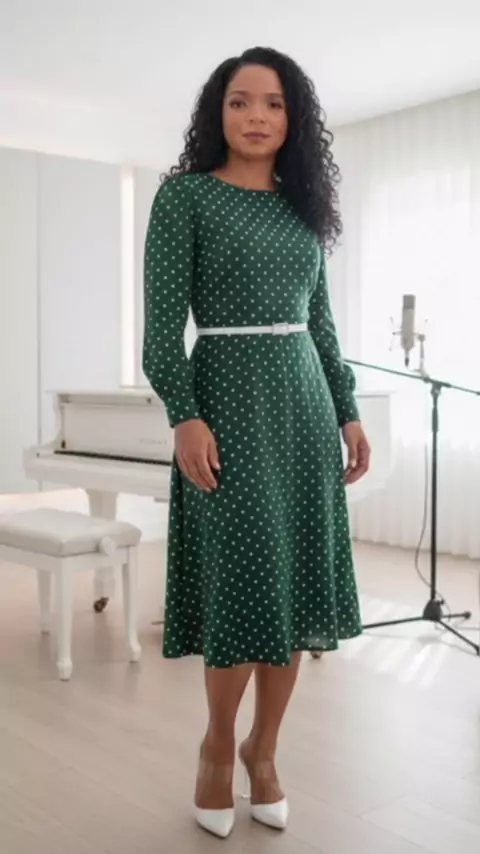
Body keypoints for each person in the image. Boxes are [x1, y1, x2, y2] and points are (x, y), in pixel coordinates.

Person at [143, 46, 370, 839]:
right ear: (219, 112)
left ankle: (263, 750)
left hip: (305, 405)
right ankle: (217, 746)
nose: (256, 117)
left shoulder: (303, 209)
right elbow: (160, 332)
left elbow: (323, 325)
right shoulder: (186, 198)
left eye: (273, 103)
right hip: (228, 406)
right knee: (243, 582)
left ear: (293, 118)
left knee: (296, 583)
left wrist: (347, 411)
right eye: (240, 102)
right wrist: (184, 414)